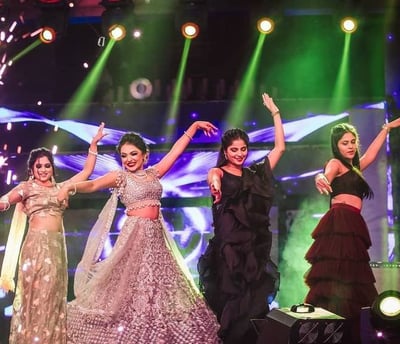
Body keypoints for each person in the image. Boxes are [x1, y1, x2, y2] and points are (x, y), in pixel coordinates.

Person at [56, 121, 222, 344]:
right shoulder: (120, 177)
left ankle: (156, 337)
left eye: (133, 154)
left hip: (157, 240)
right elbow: (93, 185)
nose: (129, 159)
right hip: (134, 239)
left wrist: (192, 128)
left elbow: (175, 151)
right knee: (130, 292)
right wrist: (69, 187)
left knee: (161, 293)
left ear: (145, 155)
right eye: (124, 156)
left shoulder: (154, 173)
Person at [0, 122, 106, 344]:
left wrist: (94, 144)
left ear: (52, 168)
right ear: (32, 169)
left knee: (53, 297)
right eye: (39, 166)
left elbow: (86, 172)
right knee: (35, 297)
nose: (43, 170)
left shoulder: (62, 188)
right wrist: (4, 202)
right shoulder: (26, 188)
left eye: (47, 166)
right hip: (35, 248)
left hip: (57, 249)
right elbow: (5, 201)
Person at [197, 93, 285, 344]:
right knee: (230, 304)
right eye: (234, 150)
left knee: (254, 306)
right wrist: (215, 187)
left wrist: (275, 113)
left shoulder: (254, 175)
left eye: (243, 149)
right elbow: (213, 179)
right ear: (225, 151)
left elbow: (280, 148)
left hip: (254, 249)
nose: (239, 153)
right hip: (229, 251)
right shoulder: (218, 172)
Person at [305, 119, 400, 344]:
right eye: (344, 143)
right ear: (336, 146)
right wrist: (320, 178)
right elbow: (326, 174)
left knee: (352, 277)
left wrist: (386, 128)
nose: (350, 146)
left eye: (353, 142)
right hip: (340, 221)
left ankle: (350, 330)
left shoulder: (355, 168)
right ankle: (330, 329)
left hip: (353, 222)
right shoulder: (336, 164)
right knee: (337, 276)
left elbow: (372, 154)